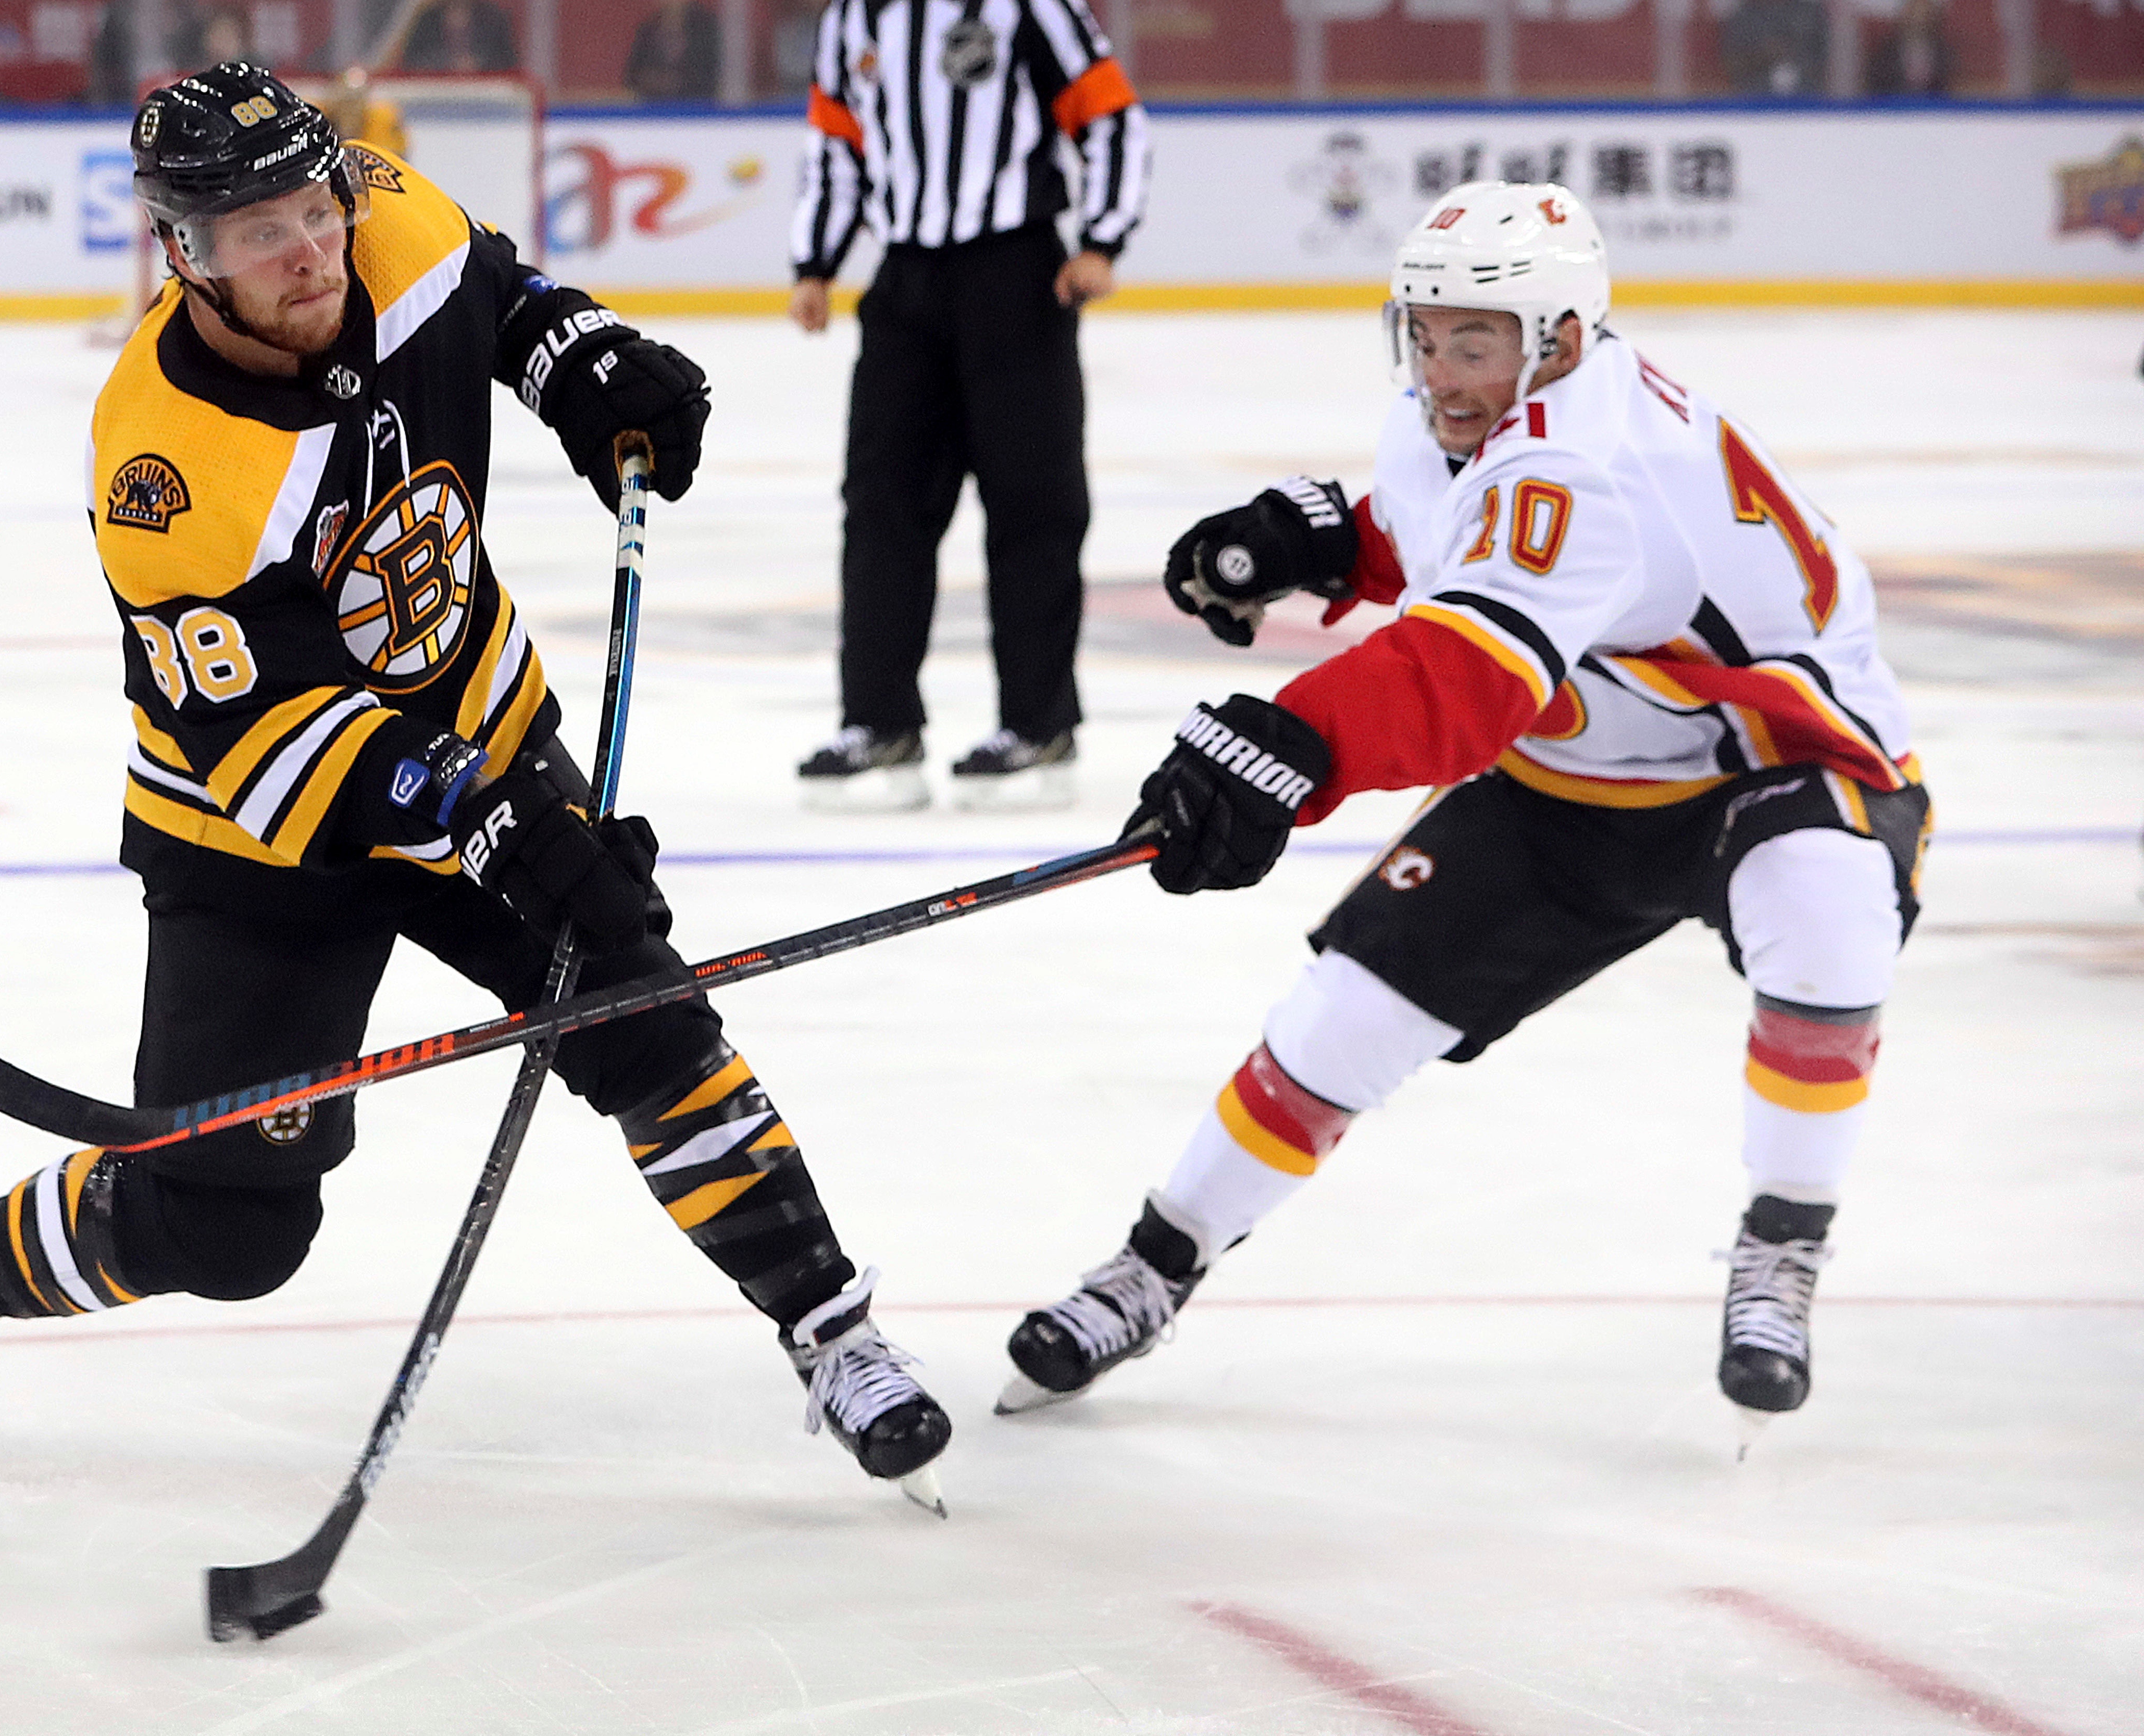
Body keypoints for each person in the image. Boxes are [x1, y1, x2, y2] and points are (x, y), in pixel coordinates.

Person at [0, 65, 950, 1509]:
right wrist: (487, 819)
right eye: (257, 229)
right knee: (228, 1229)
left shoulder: (383, 218)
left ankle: (833, 1327)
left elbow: (509, 301)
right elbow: (268, 730)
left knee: (647, 1022)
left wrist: (585, 366)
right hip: (257, 824)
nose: (308, 246)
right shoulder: (165, 462)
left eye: (312, 204)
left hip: (480, 716)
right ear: (183, 253)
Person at [998, 183, 1928, 1448]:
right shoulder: (1490, 416)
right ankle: (1157, 1263)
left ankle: (1782, 1243)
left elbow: (1465, 672)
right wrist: (1324, 541)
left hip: (1767, 761)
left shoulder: (1588, 461)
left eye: (1472, 341)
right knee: (1338, 1023)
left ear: (1556, 338)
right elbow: (1452, 534)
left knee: (1825, 918)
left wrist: (1286, 749)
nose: (1439, 367)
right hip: (1584, 769)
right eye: (1424, 333)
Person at [788, 0, 1150, 813]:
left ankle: (1038, 725)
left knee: (1034, 506)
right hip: (905, 283)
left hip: (1015, 276)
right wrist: (816, 259)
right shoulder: (855, 16)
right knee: (882, 507)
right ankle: (879, 724)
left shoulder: (1026, 6)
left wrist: (1102, 240)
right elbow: (837, 143)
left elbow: (1114, 118)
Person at [1721, 0, 1829, 95]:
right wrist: (1762, 55)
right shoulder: (1742, 18)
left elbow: (1825, 60)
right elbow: (1731, 65)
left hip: (1809, 105)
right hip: (1754, 105)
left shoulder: (1809, 14)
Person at [625, 1, 722, 103]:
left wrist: (677, 82)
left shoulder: (707, 29)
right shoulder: (648, 30)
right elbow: (631, 75)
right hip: (654, 109)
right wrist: (651, 80)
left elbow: (712, 72)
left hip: (698, 109)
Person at [401, 0, 520, 75]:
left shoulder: (495, 19)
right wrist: (447, 65)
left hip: (485, 96)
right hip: (437, 94)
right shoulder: (427, 19)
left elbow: (509, 64)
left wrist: (478, 65)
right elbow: (411, 61)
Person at [1863, 0, 1952, 96]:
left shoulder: (1946, 53)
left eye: (1924, 14)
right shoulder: (1884, 54)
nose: (1919, 20)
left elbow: (1953, 88)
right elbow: (1872, 88)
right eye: (1914, 13)